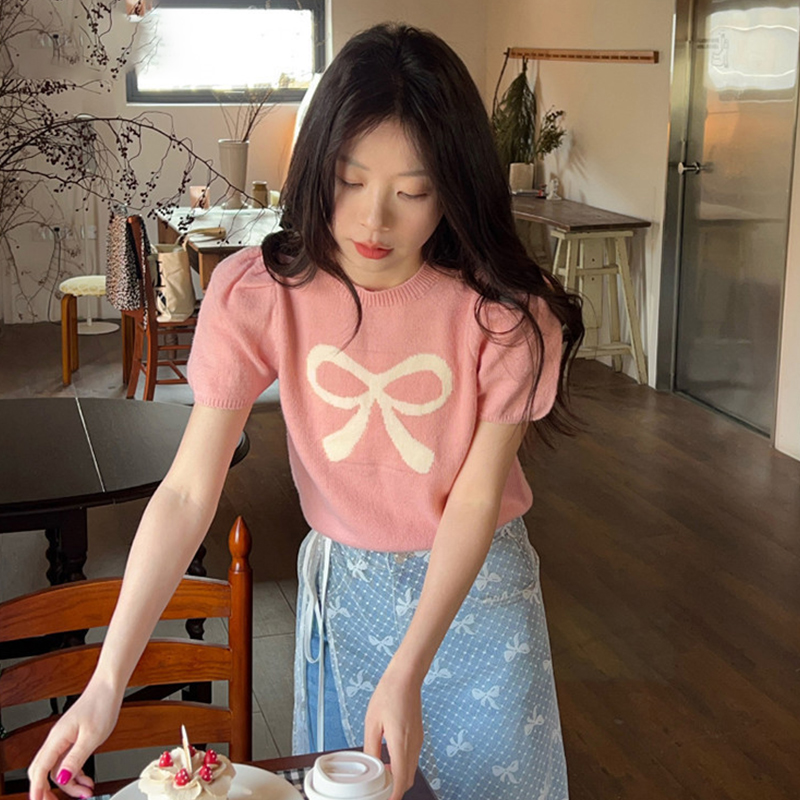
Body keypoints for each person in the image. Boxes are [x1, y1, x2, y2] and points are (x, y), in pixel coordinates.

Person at [27, 23, 583, 800]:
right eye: (349, 181)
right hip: (347, 592)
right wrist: (107, 680)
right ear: (318, 166)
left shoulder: (502, 315)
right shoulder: (263, 294)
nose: (374, 221)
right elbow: (186, 493)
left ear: (456, 187)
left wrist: (410, 667)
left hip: (477, 593)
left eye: (413, 191)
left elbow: (474, 498)